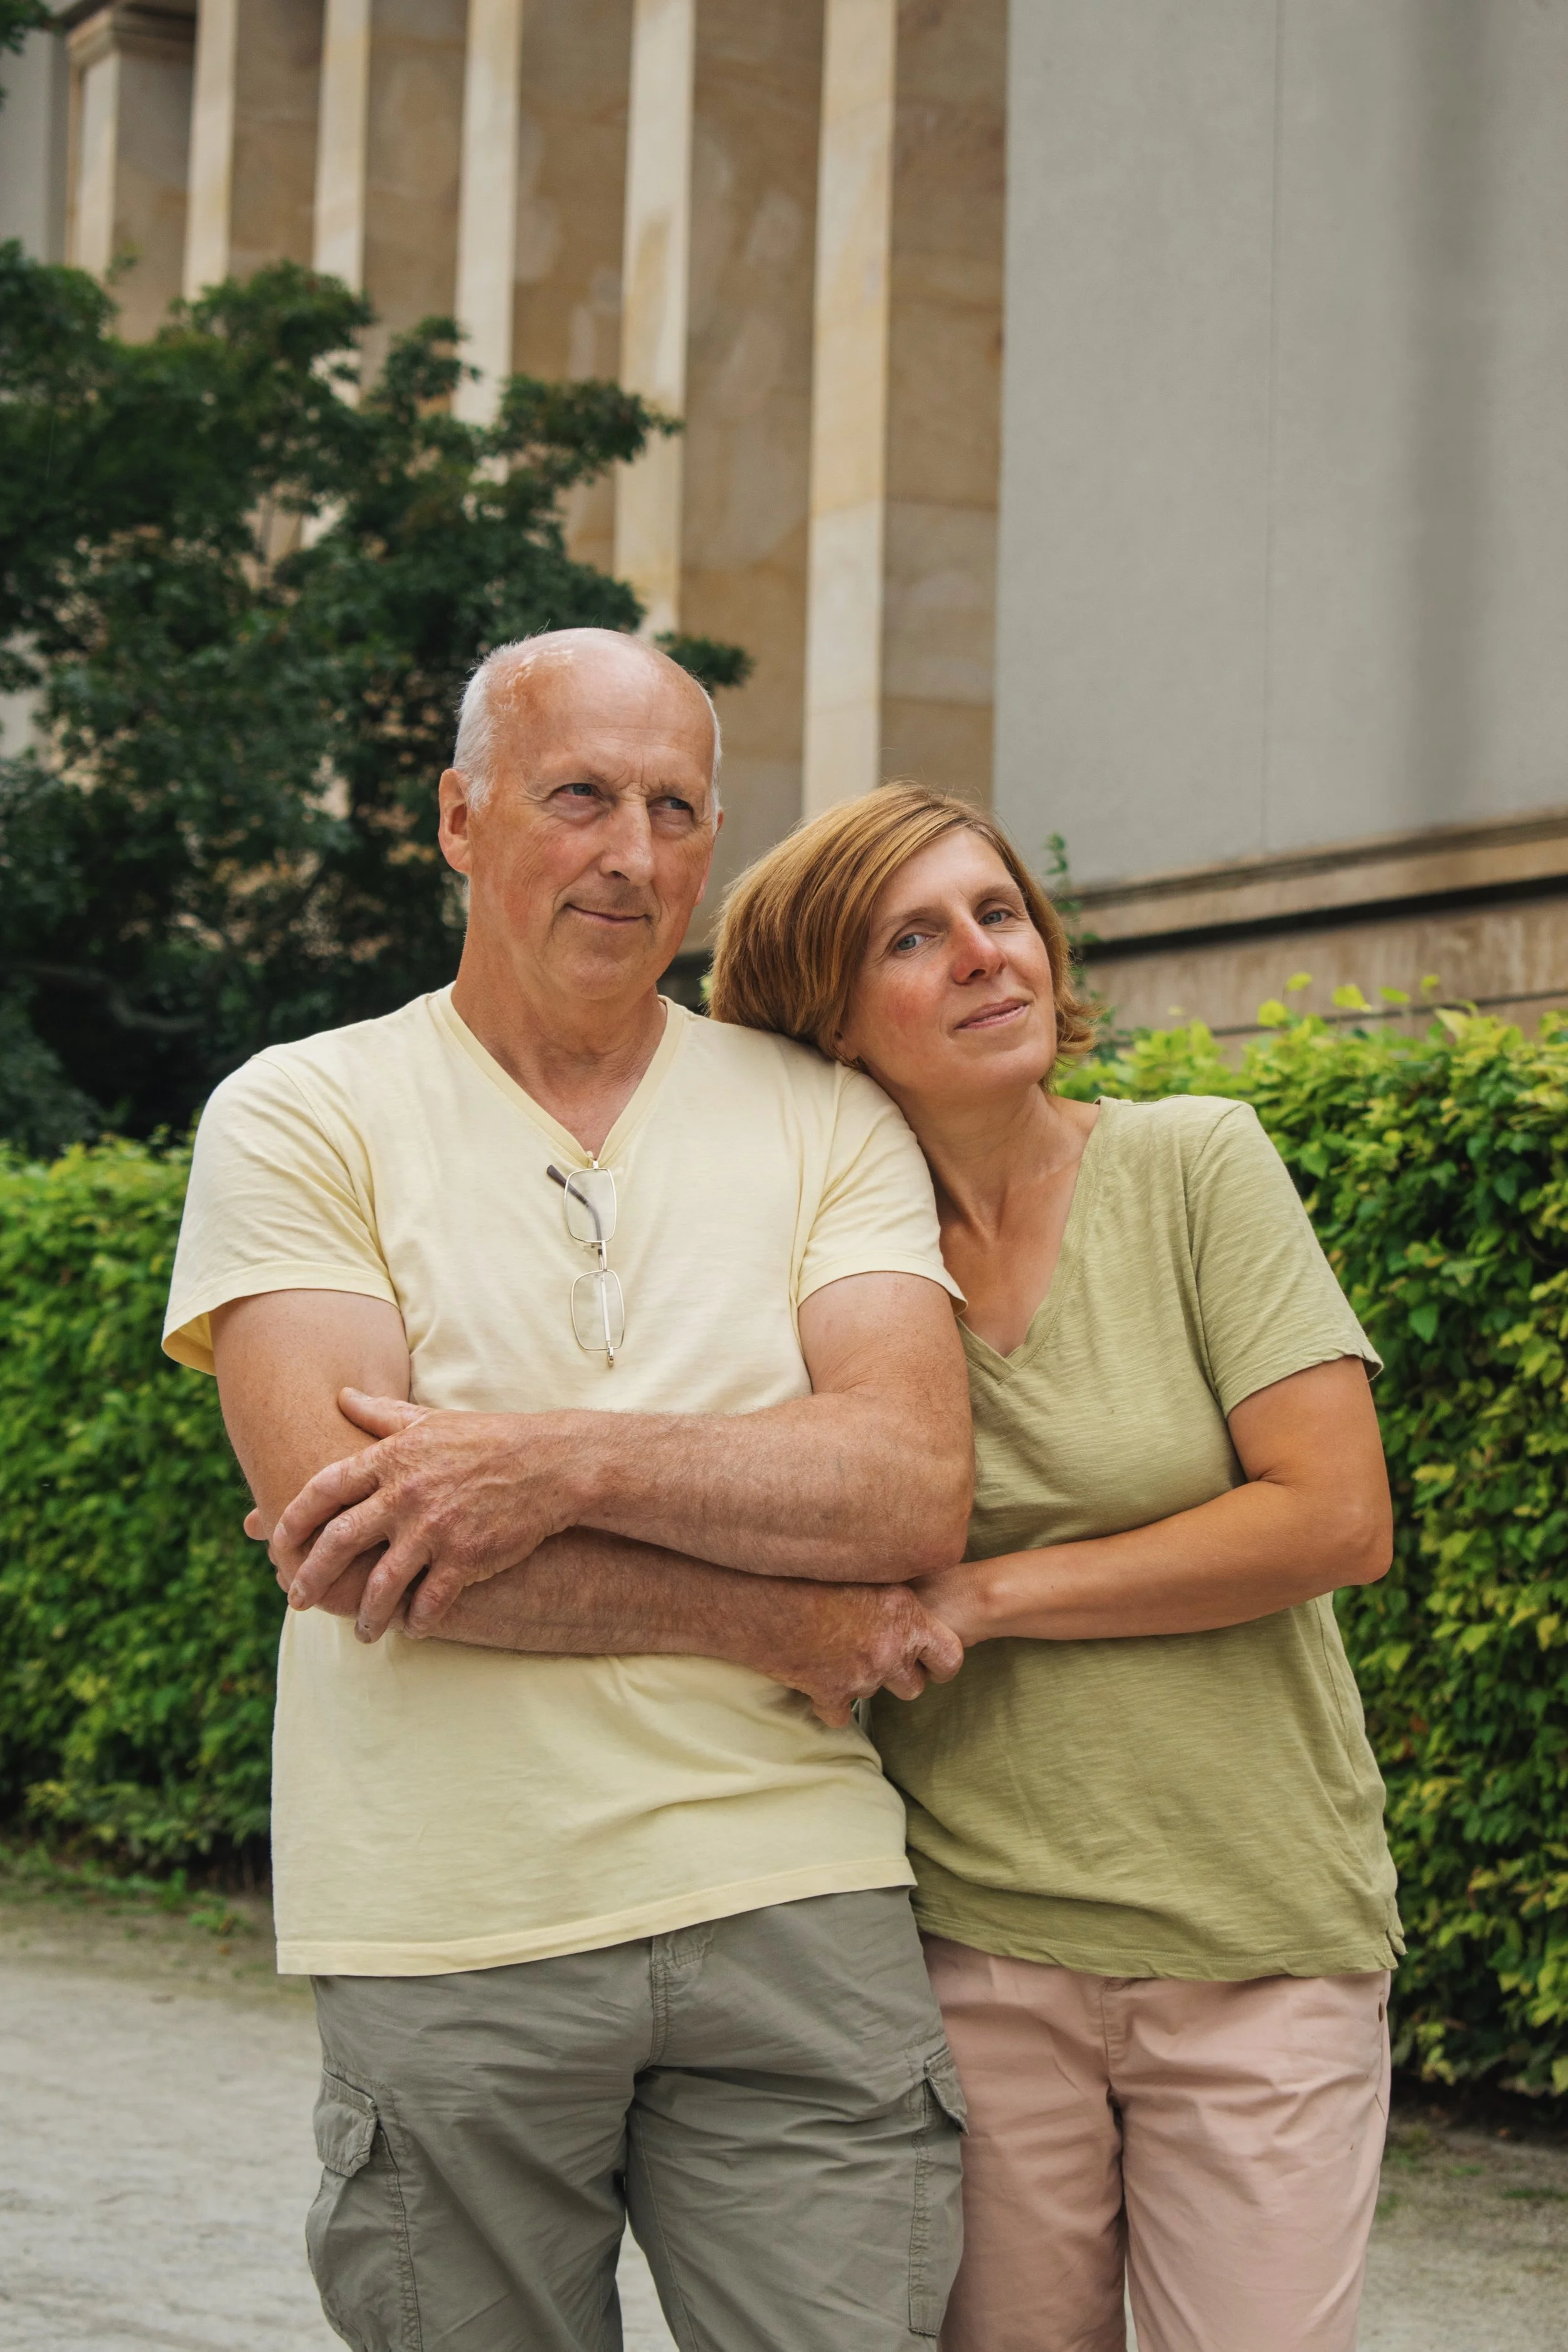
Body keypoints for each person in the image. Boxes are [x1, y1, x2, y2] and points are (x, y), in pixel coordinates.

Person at [162, 633, 975, 2352]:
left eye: (676, 808)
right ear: (458, 818)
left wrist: (547, 1462)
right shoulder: (305, 1110)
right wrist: (770, 1608)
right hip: (448, 1916)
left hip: (792, 1898)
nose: (632, 851)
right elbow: (353, 1534)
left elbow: (906, 1485)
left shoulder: (828, 1115)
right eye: (579, 795)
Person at [707, 783, 1402, 2352]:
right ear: (825, 1013)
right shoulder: (820, 1276)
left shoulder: (1189, 1165)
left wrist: (986, 1595)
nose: (981, 955)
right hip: (972, 1950)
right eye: (913, 934)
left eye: (997, 912)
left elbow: (1332, 1516)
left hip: (1257, 1941)